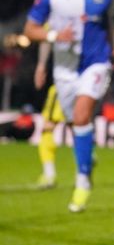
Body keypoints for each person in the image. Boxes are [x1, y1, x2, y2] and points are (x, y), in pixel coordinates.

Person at [24, 0, 114, 213]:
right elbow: (30, 30)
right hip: (64, 70)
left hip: (96, 63)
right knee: (75, 123)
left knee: (82, 115)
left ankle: (83, 181)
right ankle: (86, 158)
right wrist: (56, 35)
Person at [33, 40, 66, 189]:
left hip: (63, 85)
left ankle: (49, 174)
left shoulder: (57, 22)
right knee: (79, 127)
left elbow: (45, 38)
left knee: (47, 129)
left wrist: (41, 66)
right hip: (83, 85)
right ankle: (87, 162)